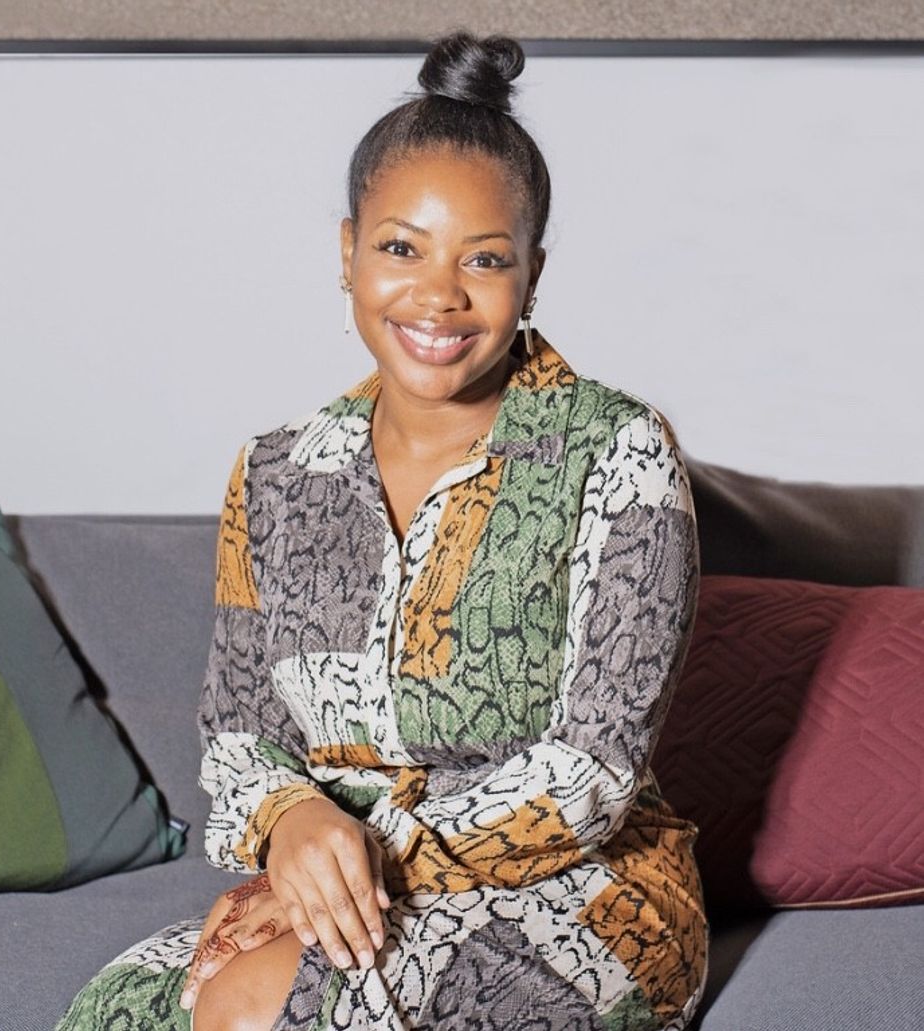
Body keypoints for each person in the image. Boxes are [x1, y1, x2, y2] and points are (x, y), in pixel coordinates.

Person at [56, 29, 707, 1031]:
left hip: (585, 893)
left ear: (532, 274)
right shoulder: (276, 472)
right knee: (124, 1009)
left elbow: (591, 772)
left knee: (266, 1004)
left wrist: (356, 856)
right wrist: (291, 819)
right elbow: (240, 731)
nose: (438, 294)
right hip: (332, 881)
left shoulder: (617, 451)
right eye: (401, 247)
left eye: (484, 259)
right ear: (348, 252)